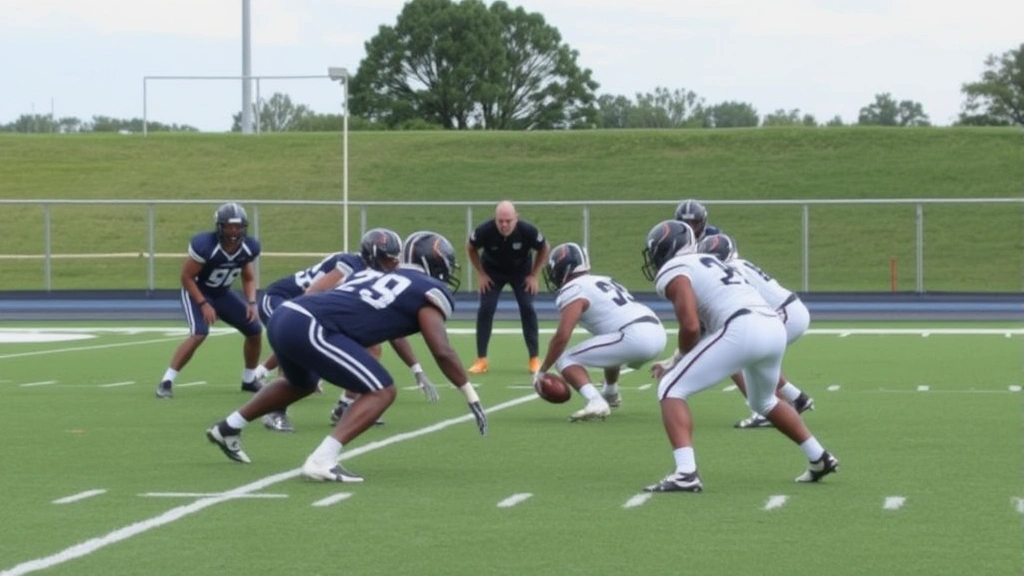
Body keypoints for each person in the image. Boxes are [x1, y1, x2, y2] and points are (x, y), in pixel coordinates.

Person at [205, 231, 488, 483]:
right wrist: (470, 394)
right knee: (382, 390)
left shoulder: (375, 274)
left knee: (300, 383)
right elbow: (441, 349)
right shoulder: (428, 290)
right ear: (434, 264)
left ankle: (228, 427)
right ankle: (321, 461)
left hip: (287, 315)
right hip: (311, 324)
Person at [641, 220, 839, 493]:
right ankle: (819, 457)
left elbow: (690, 325)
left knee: (670, 389)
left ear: (666, 248)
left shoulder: (675, 269)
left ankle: (686, 473)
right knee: (765, 402)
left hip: (743, 326)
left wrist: (682, 360)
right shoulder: (712, 262)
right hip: (771, 325)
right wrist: (678, 360)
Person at [254, 228, 435, 432]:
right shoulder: (350, 266)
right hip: (281, 300)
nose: (394, 264)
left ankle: (345, 406)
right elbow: (312, 292)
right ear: (372, 255)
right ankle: (274, 411)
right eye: (388, 258)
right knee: (299, 350)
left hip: (306, 310)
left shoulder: (373, 274)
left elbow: (393, 333)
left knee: (372, 348)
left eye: (396, 258)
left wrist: (416, 368)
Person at [534, 242, 666, 422]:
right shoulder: (604, 280)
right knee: (609, 342)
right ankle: (610, 393)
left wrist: (542, 371)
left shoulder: (574, 289)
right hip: (656, 330)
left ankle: (595, 401)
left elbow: (562, 336)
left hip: (635, 335)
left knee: (565, 358)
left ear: (563, 268)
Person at [697, 233, 815, 429]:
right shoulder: (739, 265)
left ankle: (766, 411)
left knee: (739, 355)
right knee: (751, 357)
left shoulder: (733, 271)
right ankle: (796, 398)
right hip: (790, 310)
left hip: (785, 313)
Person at [155, 202, 263, 399]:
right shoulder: (206, 245)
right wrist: (204, 304)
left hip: (222, 293)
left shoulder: (249, 247)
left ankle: (249, 380)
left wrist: (252, 302)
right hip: (196, 291)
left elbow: (248, 277)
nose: (234, 230)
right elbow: (186, 277)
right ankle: (166, 381)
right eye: (229, 226)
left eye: (238, 226)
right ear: (219, 226)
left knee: (254, 330)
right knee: (199, 333)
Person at [465, 200, 550, 374]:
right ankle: (481, 359)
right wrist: (481, 274)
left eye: (508, 221)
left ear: (516, 218)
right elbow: (470, 247)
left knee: (527, 307)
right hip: (492, 271)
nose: (504, 225)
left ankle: (534, 358)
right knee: (486, 308)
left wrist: (533, 275)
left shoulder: (528, 231)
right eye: (500, 221)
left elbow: (544, 248)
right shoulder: (485, 230)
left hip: (521, 271)